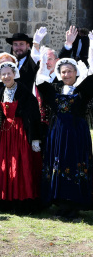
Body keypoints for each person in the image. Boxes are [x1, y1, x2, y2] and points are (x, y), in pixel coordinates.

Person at [36, 54, 93, 219]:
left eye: (70, 71)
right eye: (63, 72)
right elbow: (39, 82)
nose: (66, 75)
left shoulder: (83, 90)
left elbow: (91, 79)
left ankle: (75, 204)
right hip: (58, 134)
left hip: (77, 135)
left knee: (75, 165)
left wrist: (90, 48)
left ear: (76, 73)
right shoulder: (54, 90)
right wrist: (44, 62)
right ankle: (61, 202)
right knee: (58, 165)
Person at [0, 62, 41, 211]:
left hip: (21, 133)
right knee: (7, 165)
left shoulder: (24, 92)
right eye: (3, 74)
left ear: (14, 74)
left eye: (8, 73)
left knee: (21, 164)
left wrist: (35, 138)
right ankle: (7, 199)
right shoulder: (0, 93)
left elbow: (34, 115)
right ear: (0, 76)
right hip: (5, 134)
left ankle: (24, 200)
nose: (6, 76)